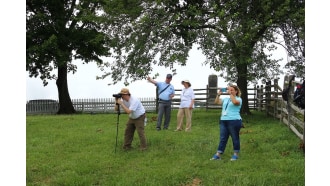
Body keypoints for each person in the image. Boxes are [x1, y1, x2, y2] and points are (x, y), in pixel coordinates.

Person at [210, 84, 243, 161]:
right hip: (223, 120)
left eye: (232, 90)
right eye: (229, 90)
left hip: (234, 120)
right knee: (223, 138)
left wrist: (231, 94)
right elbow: (216, 102)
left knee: (235, 137)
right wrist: (218, 95)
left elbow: (235, 102)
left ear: (236, 91)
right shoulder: (226, 99)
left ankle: (236, 154)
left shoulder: (239, 99)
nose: (230, 91)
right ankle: (218, 154)